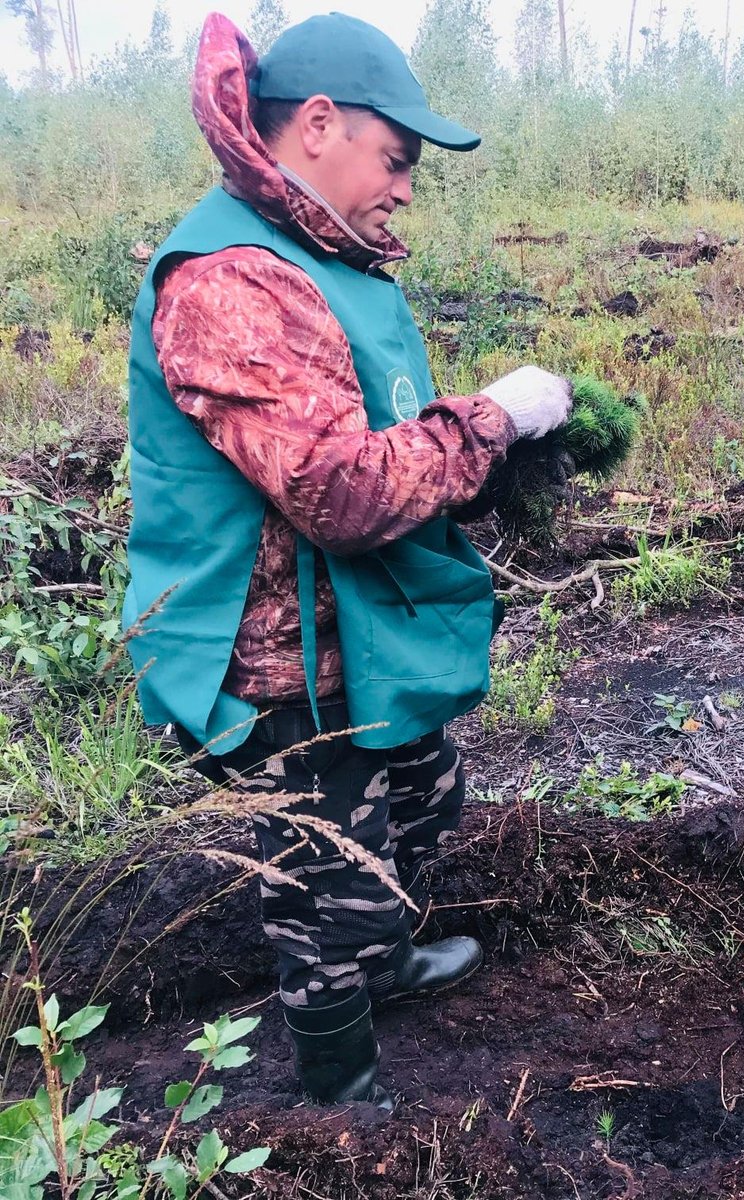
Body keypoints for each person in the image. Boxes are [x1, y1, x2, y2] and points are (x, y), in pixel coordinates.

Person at [123, 11, 571, 1109]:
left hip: (349, 627)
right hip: (270, 656)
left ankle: (387, 966)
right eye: (396, 158)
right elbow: (339, 489)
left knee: (426, 790)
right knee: (331, 885)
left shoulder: (316, 256)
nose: (406, 187)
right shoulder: (228, 281)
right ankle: (341, 1095)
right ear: (316, 124)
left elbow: (364, 426)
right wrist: (491, 424)